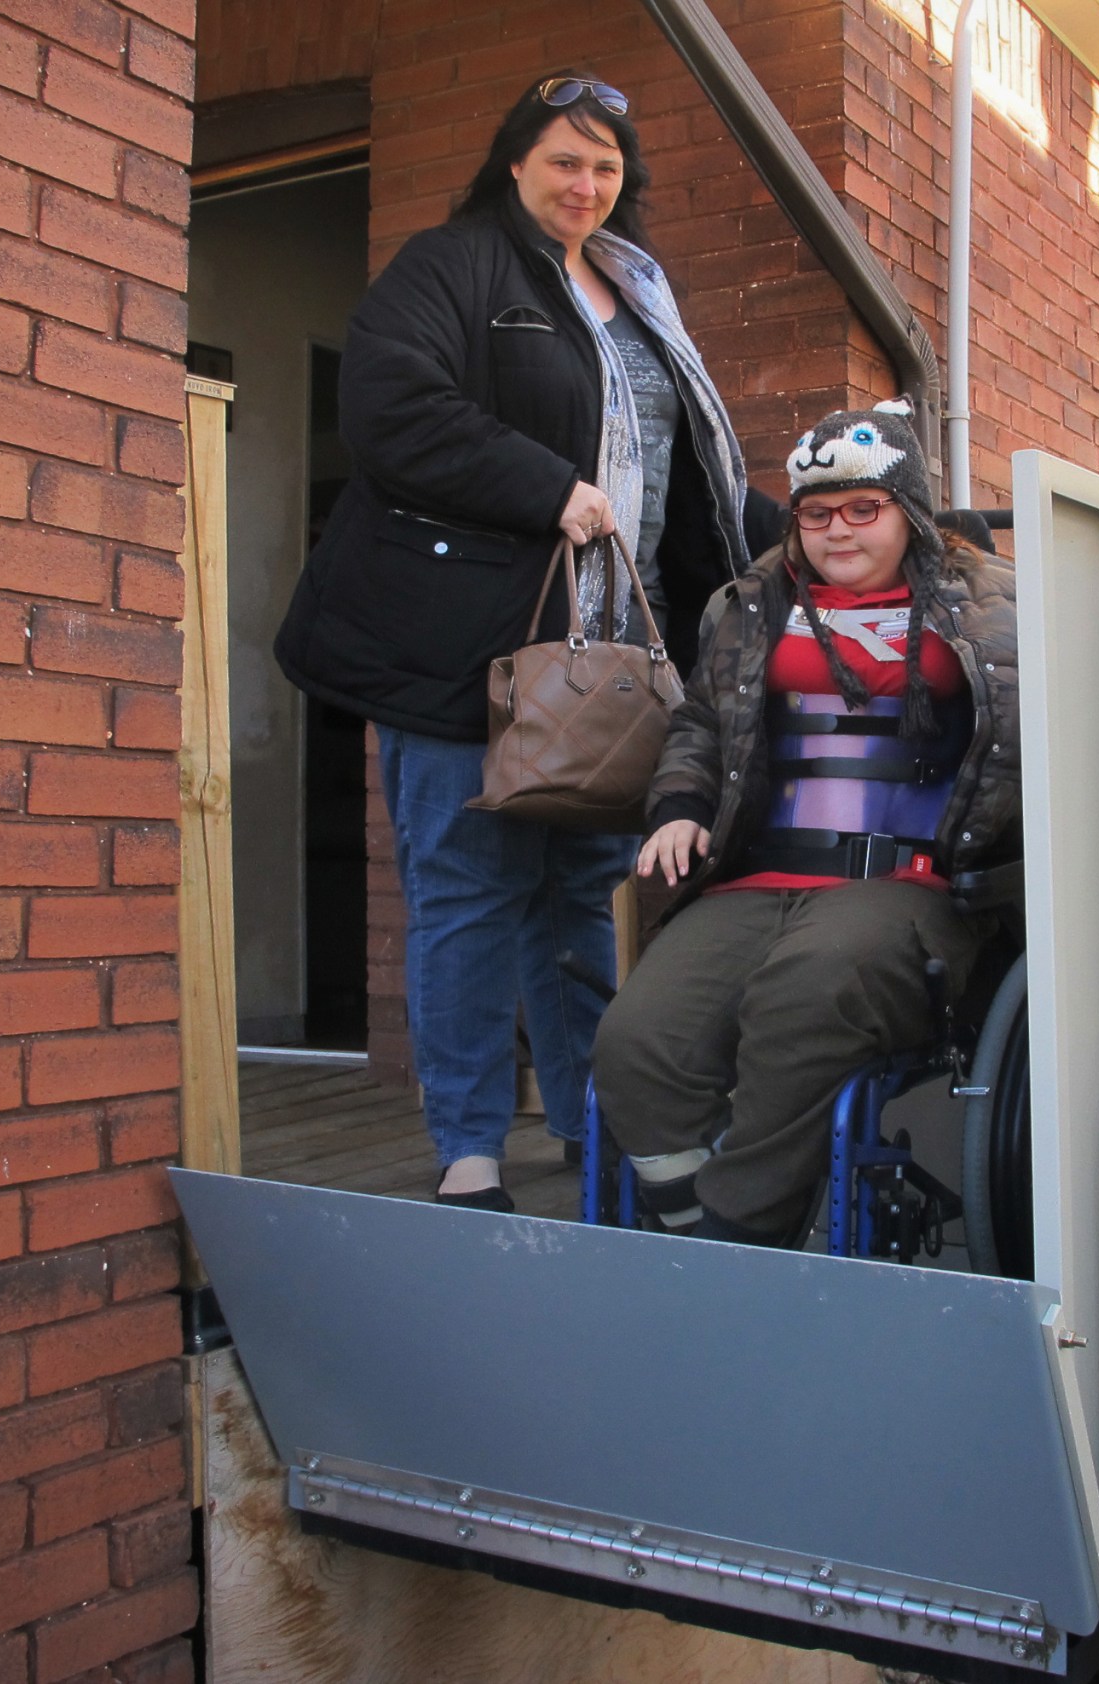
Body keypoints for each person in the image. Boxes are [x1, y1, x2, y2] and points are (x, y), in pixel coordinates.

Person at [275, 73, 777, 1211]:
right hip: (470, 652)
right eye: (564, 161)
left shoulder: (641, 293)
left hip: (604, 661)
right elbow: (391, 405)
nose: (585, 185)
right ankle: (467, 1150)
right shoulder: (455, 268)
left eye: (605, 167)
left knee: (581, 904)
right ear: (516, 164)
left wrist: (823, 535)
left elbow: (689, 473)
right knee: (467, 894)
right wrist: (547, 484)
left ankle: (598, 1126)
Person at [592, 401, 1021, 1245]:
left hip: (910, 884)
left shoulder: (995, 606)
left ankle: (738, 1240)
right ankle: (686, 1221)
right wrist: (678, 808)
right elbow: (702, 726)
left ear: (909, 511)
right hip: (759, 874)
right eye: (817, 512)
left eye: (865, 507)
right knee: (639, 1039)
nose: (838, 528)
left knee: (806, 994)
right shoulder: (750, 604)